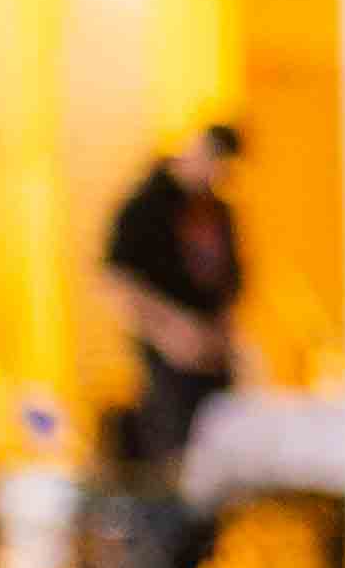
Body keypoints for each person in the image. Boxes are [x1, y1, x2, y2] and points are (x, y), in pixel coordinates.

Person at [97, 118, 249, 471]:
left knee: (219, 445)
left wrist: (223, 334)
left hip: (213, 354)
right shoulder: (145, 206)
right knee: (174, 450)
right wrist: (170, 330)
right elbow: (117, 280)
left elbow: (230, 281)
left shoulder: (217, 210)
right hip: (168, 359)